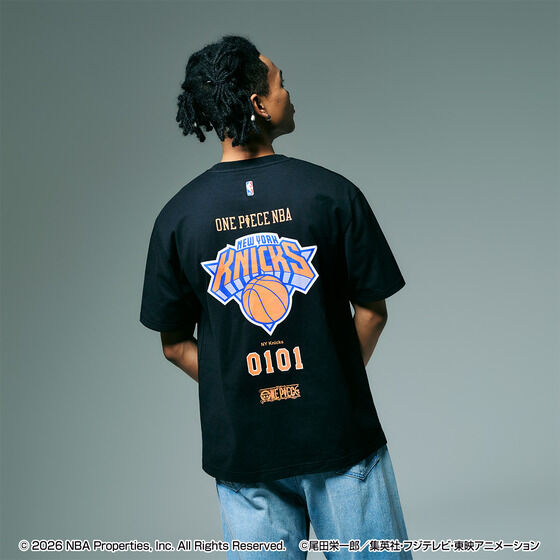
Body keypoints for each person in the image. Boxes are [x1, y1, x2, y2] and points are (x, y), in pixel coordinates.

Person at [139, 34, 413, 559]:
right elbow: (372, 313)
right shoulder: (331, 193)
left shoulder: (178, 218)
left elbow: (174, 345)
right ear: (259, 104)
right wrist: (327, 380)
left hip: (245, 452)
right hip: (339, 437)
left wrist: (240, 386)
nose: (288, 93)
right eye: (280, 83)